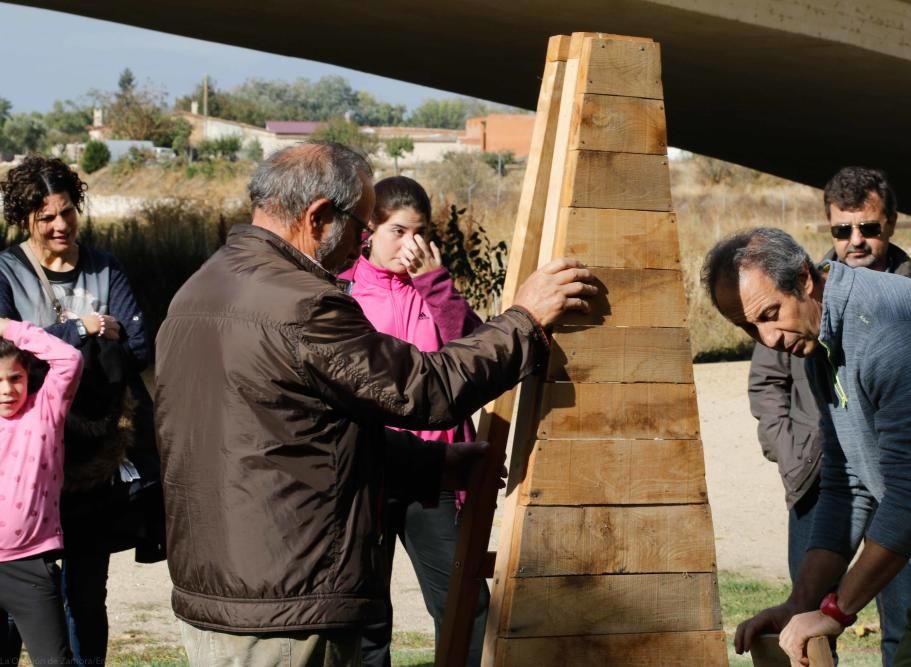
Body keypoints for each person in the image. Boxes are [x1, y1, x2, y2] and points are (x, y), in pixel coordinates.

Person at [155, 142, 596, 665]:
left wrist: (432, 464)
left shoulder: (197, 291)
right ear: (319, 216)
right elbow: (425, 388)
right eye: (362, 226)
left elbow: (291, 436)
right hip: (287, 609)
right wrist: (524, 320)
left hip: (222, 595)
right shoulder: (302, 303)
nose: (361, 242)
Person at [702, 227, 911, 666]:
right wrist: (799, 603)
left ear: (804, 278)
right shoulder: (822, 342)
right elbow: (845, 485)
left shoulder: (892, 326)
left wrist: (836, 611)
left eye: (769, 313)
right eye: (747, 327)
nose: (767, 340)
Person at [746, 167, 911, 665]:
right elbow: (768, 387)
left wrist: (836, 610)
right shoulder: (806, 320)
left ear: (892, 224)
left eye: (868, 229)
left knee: (908, 624)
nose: (855, 241)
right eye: (842, 231)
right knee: (808, 624)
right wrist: (797, 457)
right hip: (822, 481)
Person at [0, 155, 158, 666]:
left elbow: (138, 347)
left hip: (95, 458)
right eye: (47, 217)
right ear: (25, 218)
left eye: (67, 212)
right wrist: (84, 331)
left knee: (88, 593)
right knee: (15, 599)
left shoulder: (106, 266)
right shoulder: (5, 271)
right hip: (23, 463)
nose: (60, 225)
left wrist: (50, 341)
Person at [339, 176, 487, 666]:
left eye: (419, 233)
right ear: (370, 231)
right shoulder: (342, 293)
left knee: (468, 607)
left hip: (435, 473)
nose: (410, 246)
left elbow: (474, 355)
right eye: (397, 232)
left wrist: (436, 284)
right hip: (367, 472)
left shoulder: (435, 288)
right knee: (366, 620)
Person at [0, 318, 83, 665]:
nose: (7, 389)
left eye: (14, 378)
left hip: (30, 564)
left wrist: (6, 326)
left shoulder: (44, 411)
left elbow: (69, 359)